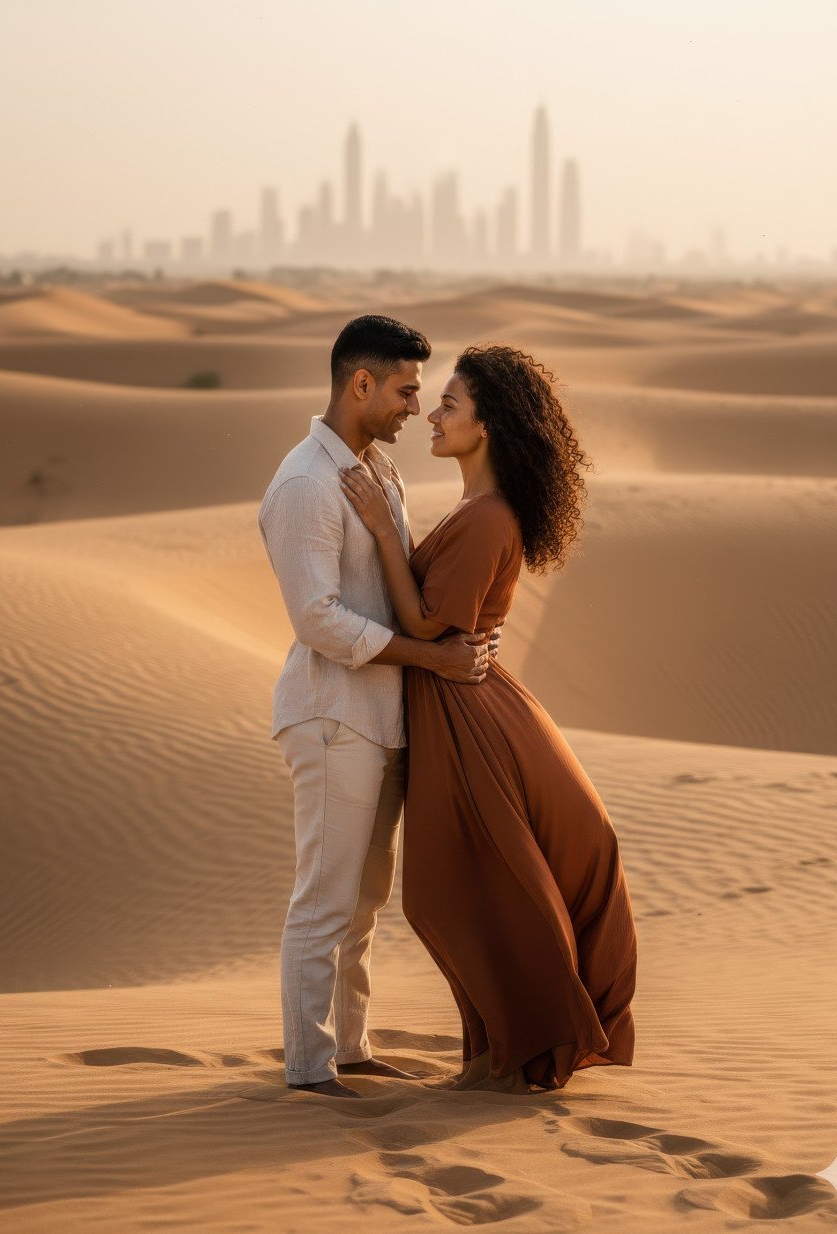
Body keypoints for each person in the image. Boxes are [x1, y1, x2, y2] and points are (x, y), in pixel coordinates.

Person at [338, 343, 638, 1093]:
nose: (431, 415)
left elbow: (435, 627)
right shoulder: (479, 509)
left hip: (467, 714)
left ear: (489, 425)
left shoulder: (488, 516)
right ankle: (496, 1051)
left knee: (452, 889)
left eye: (450, 406)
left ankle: (517, 1048)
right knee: (454, 889)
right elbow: (435, 614)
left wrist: (382, 531)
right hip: (457, 703)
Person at [257, 316, 501, 1099]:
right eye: (403, 390)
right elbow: (317, 620)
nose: (413, 406)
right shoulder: (304, 483)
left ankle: (351, 1049)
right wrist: (435, 657)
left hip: (380, 716)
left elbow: (400, 592)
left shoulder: (376, 471)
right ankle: (308, 1068)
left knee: (363, 900)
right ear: (359, 384)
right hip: (331, 716)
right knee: (324, 900)